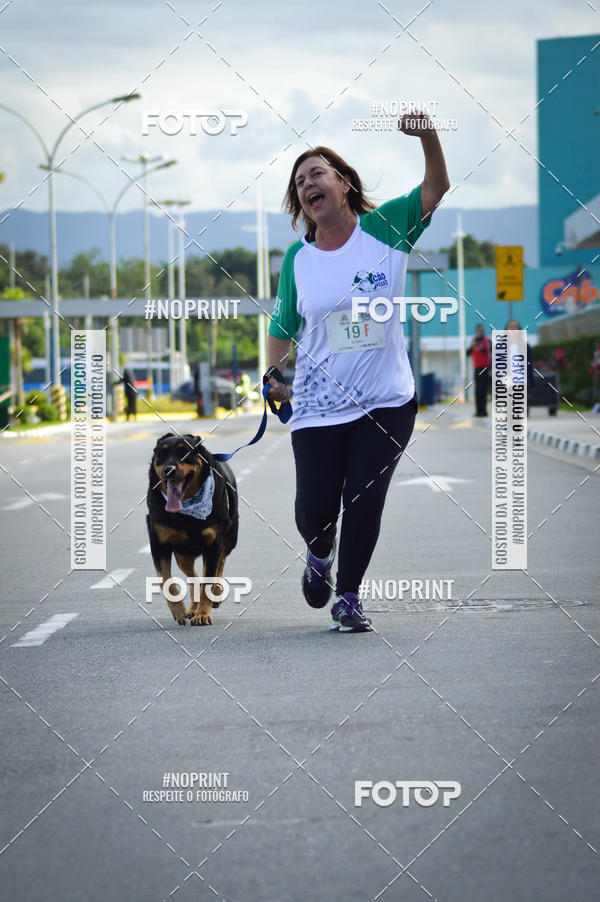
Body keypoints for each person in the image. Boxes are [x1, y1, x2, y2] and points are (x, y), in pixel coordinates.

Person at [265, 115, 449, 632]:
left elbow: (436, 189)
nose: (308, 185)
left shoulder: (386, 229)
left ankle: (348, 596)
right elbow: (283, 324)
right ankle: (319, 553)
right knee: (313, 513)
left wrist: (428, 136)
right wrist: (274, 375)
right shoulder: (298, 260)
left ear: (344, 184)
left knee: (364, 498)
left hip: (386, 401)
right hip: (319, 407)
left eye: (317, 174)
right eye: (300, 183)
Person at [466, 324, 492, 417]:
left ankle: (484, 411)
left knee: (484, 389)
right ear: (477, 331)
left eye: (482, 330)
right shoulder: (473, 341)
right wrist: (472, 347)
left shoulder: (487, 340)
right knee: (478, 390)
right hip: (477, 368)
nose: (481, 332)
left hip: (485, 367)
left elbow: (491, 352)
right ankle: (478, 411)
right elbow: (467, 353)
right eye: (479, 330)